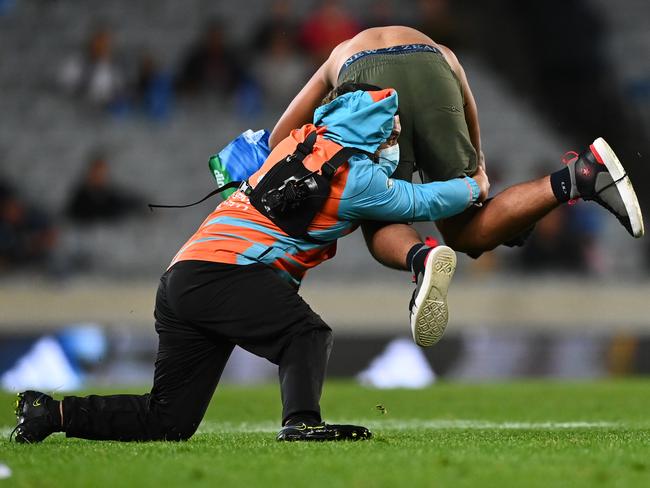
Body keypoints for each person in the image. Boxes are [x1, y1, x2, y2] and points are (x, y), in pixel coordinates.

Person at [11, 83, 487, 444]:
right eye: (391, 130)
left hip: (184, 274)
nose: (394, 139)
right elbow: (417, 200)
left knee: (168, 419)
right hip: (229, 272)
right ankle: (301, 424)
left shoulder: (296, 142)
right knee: (306, 334)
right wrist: (475, 186)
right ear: (376, 127)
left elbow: (349, 170)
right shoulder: (354, 179)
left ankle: (48, 414)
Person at [269, 25, 644, 337]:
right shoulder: (441, 49)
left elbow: (278, 138)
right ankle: (580, 176)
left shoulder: (340, 53)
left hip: (362, 75)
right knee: (467, 233)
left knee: (380, 218)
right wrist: (478, 174)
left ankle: (422, 257)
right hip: (437, 72)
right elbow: (469, 108)